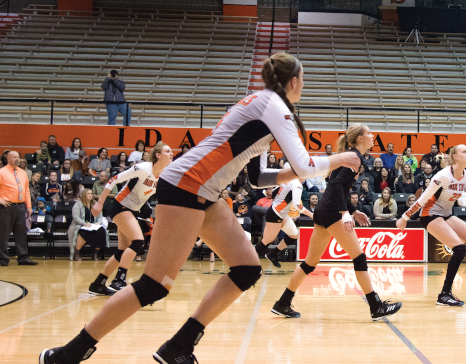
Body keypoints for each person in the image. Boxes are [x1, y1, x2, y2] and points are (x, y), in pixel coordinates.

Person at [40, 52, 362, 364]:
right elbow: (305, 166)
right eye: (303, 79)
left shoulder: (262, 103)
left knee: (247, 268)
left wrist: (306, 168)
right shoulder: (276, 107)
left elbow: (257, 178)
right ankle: (69, 354)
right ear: (293, 81)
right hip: (187, 185)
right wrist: (343, 158)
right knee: (154, 284)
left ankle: (178, 346)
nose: (303, 85)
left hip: (203, 190)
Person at [271, 123, 401, 320]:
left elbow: (335, 187)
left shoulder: (349, 156)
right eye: (369, 133)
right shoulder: (354, 157)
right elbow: (338, 185)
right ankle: (376, 307)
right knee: (359, 258)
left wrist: (354, 211)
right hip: (332, 212)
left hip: (323, 210)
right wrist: (345, 213)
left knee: (309, 263)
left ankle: (282, 303)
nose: (373, 135)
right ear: (360, 138)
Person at [398, 144, 466, 306]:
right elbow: (423, 198)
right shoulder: (443, 176)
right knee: (460, 249)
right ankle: (444, 294)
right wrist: (405, 217)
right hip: (430, 214)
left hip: (446, 214)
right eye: (464, 152)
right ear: (455, 157)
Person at [86, 142, 174, 296]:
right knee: (138, 242)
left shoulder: (164, 174)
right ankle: (119, 280)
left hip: (132, 211)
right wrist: (100, 203)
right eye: (167, 151)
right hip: (120, 206)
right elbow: (113, 179)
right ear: (158, 155)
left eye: (171, 151)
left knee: (122, 251)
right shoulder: (143, 168)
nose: (171, 153)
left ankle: (98, 284)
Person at [256, 174, 313, 268]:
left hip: (280, 213)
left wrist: (275, 202)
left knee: (294, 235)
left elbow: (274, 191)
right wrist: (311, 215)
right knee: (266, 241)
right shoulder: (297, 184)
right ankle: (248, 262)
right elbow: (297, 204)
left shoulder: (289, 180)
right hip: (275, 214)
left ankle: (273, 254)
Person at [0, 151, 37, 266]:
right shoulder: (2, 172)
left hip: (21, 206)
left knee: (21, 233)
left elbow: (26, 190)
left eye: (18, 157)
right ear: (8, 159)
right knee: (3, 234)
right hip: (6, 206)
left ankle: (23, 258)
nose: (17, 159)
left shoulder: (22, 172)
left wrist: (29, 206)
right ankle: (3, 259)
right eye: (14, 157)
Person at [72, 189, 108, 261]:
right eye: (88, 194)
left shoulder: (96, 203)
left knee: (101, 231)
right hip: (81, 225)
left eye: (91, 193)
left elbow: (100, 216)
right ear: (84, 195)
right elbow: (76, 217)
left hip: (93, 225)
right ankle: (77, 253)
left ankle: (95, 253)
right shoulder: (78, 204)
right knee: (84, 232)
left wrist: (98, 222)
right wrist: (84, 224)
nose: (90, 195)